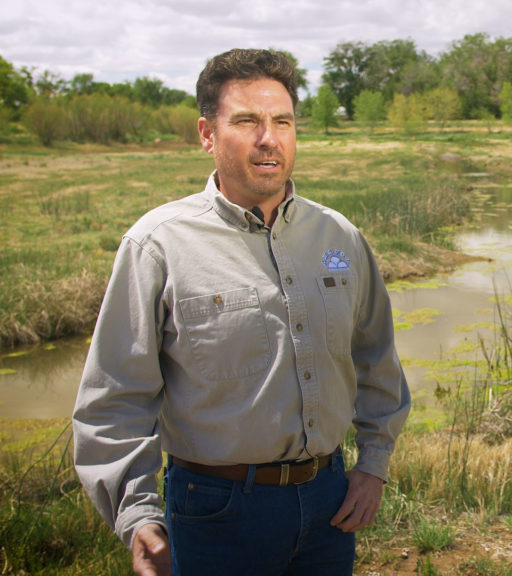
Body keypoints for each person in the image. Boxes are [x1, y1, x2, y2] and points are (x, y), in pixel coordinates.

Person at [72, 48, 411, 576]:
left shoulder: (338, 236)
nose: (269, 138)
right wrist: (137, 514)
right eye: (247, 121)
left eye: (282, 121)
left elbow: (377, 360)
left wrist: (373, 465)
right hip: (215, 511)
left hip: (330, 503)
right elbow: (115, 398)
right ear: (207, 134)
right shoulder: (157, 245)